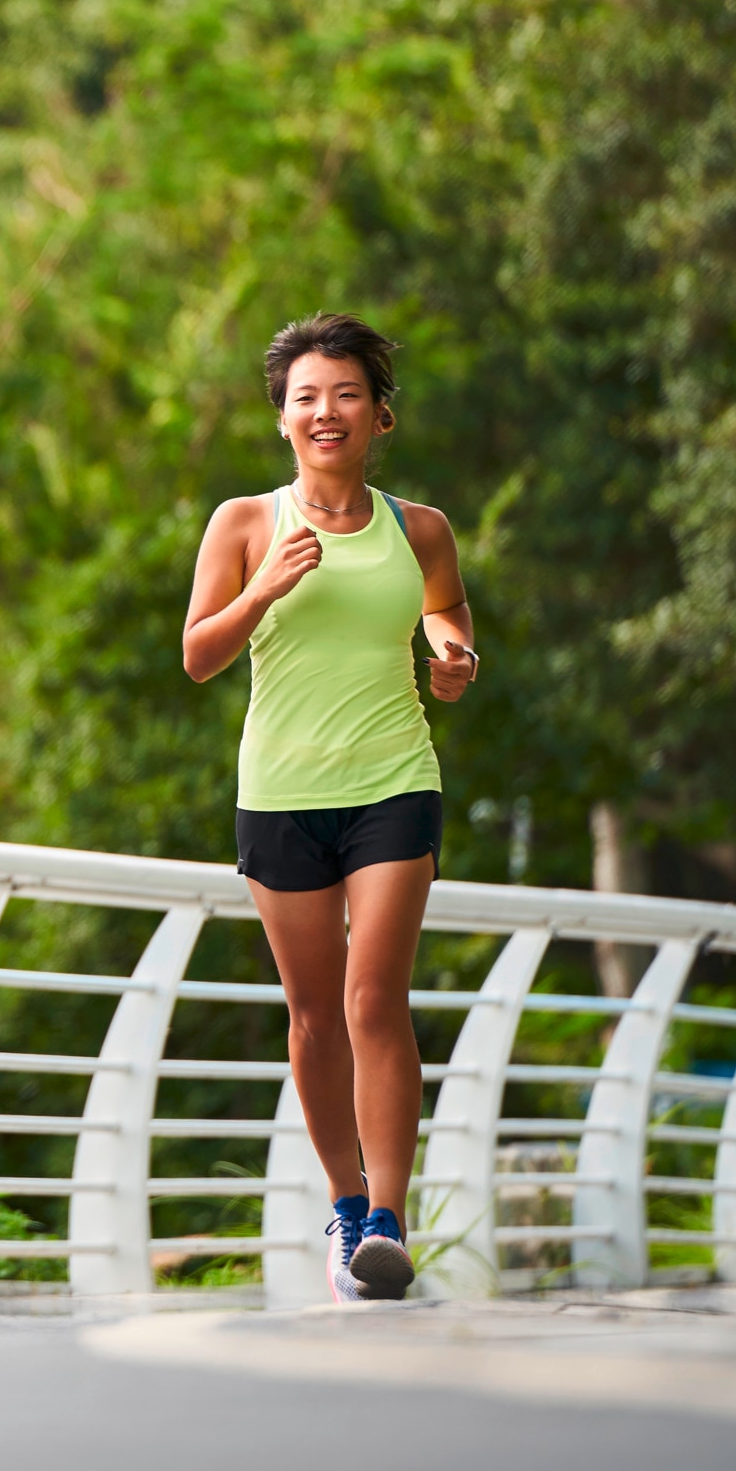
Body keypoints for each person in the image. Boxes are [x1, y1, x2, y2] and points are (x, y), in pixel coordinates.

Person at [181, 312, 477, 1303]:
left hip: (394, 779)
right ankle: (346, 1206)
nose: (325, 411)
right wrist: (263, 586)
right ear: (282, 419)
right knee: (313, 1017)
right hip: (281, 791)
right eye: (306, 397)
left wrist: (449, 653)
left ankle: (390, 1217)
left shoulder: (418, 526)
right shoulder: (245, 523)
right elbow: (199, 655)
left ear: (380, 415)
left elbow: (445, 605)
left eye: (345, 394)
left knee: (373, 998)